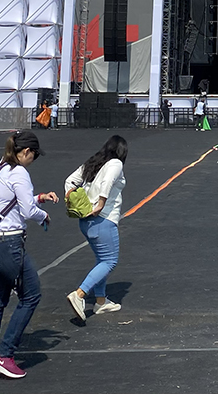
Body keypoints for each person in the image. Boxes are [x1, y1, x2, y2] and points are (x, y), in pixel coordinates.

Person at [0, 131, 56, 380]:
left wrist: (39, 197)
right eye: (34, 156)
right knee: (31, 295)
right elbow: (28, 210)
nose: (33, 160)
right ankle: (5, 354)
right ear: (27, 152)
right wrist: (43, 215)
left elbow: (9, 202)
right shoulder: (20, 172)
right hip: (8, 244)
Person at [65, 135, 128, 319]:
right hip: (103, 219)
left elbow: (70, 180)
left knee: (102, 260)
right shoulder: (115, 163)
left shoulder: (95, 162)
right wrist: (101, 203)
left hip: (86, 220)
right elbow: (108, 182)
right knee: (110, 261)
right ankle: (79, 294)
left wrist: (70, 196)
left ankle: (101, 301)